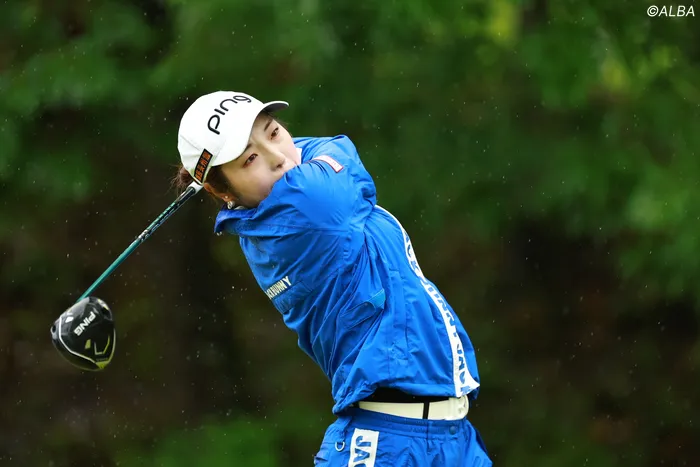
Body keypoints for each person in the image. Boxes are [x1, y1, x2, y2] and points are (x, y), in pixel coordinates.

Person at [173, 90, 492, 466]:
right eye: (250, 159)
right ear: (220, 189)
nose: (279, 158)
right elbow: (341, 150)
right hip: (387, 443)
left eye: (274, 133)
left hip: (448, 435)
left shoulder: (272, 211)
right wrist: (295, 152)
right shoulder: (307, 207)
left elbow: (324, 153)